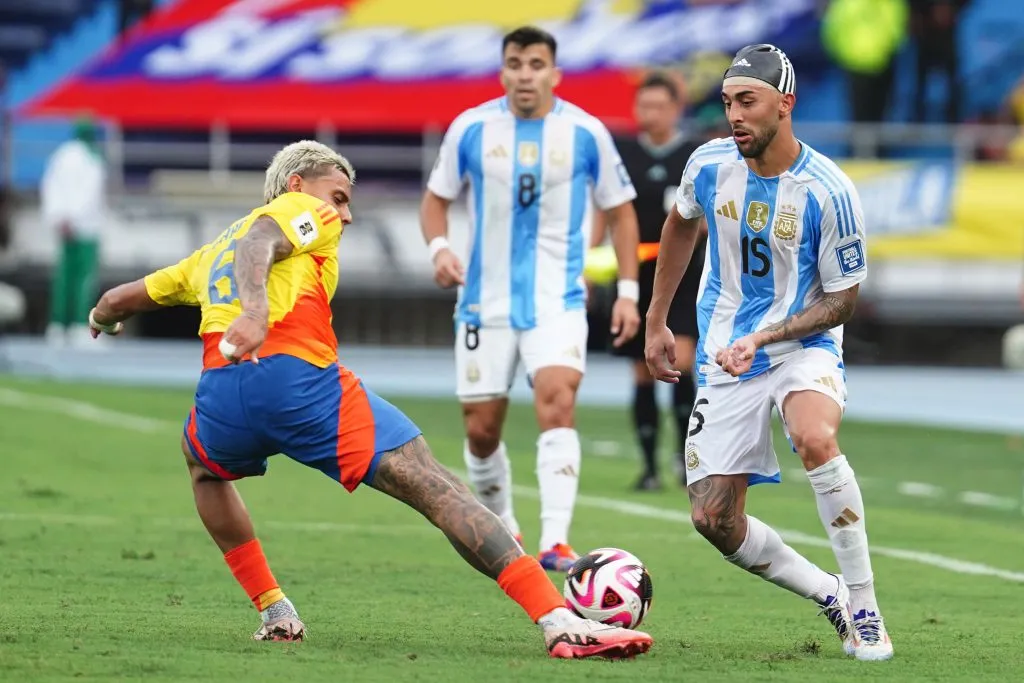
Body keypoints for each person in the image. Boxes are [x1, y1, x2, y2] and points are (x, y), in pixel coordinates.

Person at [86, 140, 652, 660]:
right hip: (296, 381)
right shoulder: (299, 213)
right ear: (297, 186)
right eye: (339, 196)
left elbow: (120, 297)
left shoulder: (211, 250)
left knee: (205, 471)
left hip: (223, 391)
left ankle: (275, 609)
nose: (346, 214)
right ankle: (559, 620)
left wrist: (100, 318)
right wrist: (257, 313)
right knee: (437, 485)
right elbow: (263, 241)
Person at [644, 45, 893, 662]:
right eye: (728, 102)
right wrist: (656, 319)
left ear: (785, 104)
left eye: (747, 102)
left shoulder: (828, 192)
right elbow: (680, 224)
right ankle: (828, 593)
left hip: (801, 346)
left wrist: (766, 335)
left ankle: (864, 607)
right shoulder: (708, 164)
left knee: (813, 436)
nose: (734, 115)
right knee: (713, 520)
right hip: (727, 354)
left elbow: (841, 302)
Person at [420, 26, 641, 571]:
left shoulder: (586, 133)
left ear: (554, 73)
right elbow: (435, 200)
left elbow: (622, 212)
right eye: (515, 63)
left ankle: (557, 541)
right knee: (480, 430)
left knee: (558, 401)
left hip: (557, 299)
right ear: (503, 71)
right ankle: (508, 531)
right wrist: (441, 249)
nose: (525, 74)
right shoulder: (470, 128)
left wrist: (629, 293)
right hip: (482, 300)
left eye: (536, 64)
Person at [592, 72, 704, 492]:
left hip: (685, 276)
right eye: (643, 106)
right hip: (636, 278)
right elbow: (606, 210)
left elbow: (711, 215)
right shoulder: (624, 155)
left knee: (680, 363)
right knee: (641, 370)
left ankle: (685, 458)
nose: (649, 114)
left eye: (658, 106)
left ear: (676, 108)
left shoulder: (695, 155)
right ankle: (649, 468)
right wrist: (590, 262)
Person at [41, 118, 107, 346]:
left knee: (63, 278)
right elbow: (89, 193)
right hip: (85, 227)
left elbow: (50, 186)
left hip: (64, 225)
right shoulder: (92, 158)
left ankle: (58, 326)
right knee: (84, 280)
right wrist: (75, 218)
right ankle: (81, 326)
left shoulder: (61, 155)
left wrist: (59, 217)